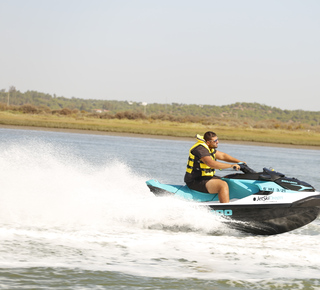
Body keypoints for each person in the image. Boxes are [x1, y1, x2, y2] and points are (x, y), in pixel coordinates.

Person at [184, 131, 245, 203]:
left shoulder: (210, 148)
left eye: (217, 139)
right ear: (208, 142)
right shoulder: (200, 149)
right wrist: (231, 166)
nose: (217, 142)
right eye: (215, 141)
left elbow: (223, 156)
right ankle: (226, 209)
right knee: (222, 185)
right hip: (195, 180)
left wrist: (240, 162)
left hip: (205, 177)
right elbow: (211, 163)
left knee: (230, 179)